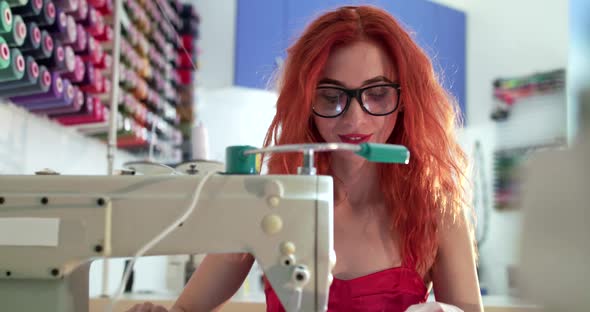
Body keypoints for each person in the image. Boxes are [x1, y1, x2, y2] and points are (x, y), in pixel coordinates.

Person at [128, 5, 482, 312]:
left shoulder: (439, 211)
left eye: (376, 94)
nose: (355, 120)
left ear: (406, 100)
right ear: (305, 103)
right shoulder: (270, 199)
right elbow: (189, 307)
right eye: (330, 97)